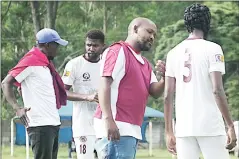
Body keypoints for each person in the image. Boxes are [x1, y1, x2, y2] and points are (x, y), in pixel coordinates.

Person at [162, 3, 237, 159]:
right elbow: (217, 90)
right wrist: (230, 125)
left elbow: (168, 95)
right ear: (207, 23)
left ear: (187, 25)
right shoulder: (213, 49)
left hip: (183, 128)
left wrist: (169, 131)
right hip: (210, 126)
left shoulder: (173, 53)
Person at [93, 17, 166, 159]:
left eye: (154, 35)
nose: (152, 37)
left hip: (131, 129)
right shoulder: (118, 51)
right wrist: (108, 119)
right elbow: (104, 84)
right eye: (149, 32)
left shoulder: (144, 63)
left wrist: (165, 77)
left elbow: (155, 92)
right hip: (116, 127)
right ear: (134, 29)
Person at [1, 28, 68, 159]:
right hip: (40, 125)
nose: (57, 49)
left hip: (52, 123)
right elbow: (6, 83)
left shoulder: (45, 65)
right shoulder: (30, 61)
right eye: (56, 45)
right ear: (47, 45)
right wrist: (17, 108)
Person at [62, 29, 105, 159]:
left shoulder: (107, 63)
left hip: (104, 124)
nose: (91, 48)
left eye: (95, 45)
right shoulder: (74, 64)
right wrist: (87, 97)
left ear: (103, 46)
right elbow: (62, 92)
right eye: (88, 45)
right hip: (83, 125)